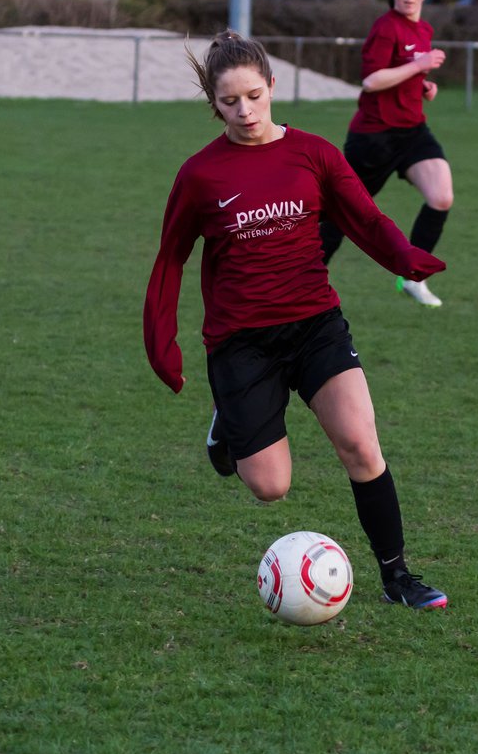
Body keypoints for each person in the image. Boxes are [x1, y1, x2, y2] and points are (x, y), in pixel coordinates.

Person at [144, 30, 448, 609]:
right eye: (230, 101)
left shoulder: (313, 153)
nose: (245, 111)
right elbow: (170, 260)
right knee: (270, 487)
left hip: (315, 325)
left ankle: (398, 578)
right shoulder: (200, 175)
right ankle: (228, 424)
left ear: (273, 87)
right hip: (241, 343)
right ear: (213, 102)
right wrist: (163, 342)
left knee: (361, 446)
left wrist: (406, 258)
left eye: (255, 96)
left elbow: (365, 218)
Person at [319, 0, 454, 308]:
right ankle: (302, 280)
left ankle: (413, 277)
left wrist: (422, 84)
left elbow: (402, 73)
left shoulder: (422, 29)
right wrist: (418, 66)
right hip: (374, 137)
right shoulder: (385, 28)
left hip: (412, 132)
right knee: (342, 214)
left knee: (441, 197)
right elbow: (371, 80)